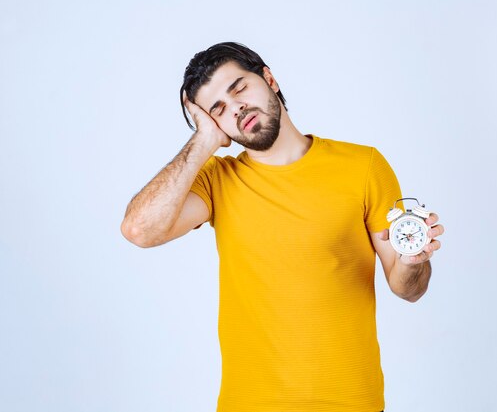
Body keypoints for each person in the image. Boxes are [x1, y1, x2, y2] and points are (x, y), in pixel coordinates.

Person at [121, 41, 444, 412]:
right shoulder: (216, 181)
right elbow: (139, 230)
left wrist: (413, 260)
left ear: (268, 79)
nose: (236, 107)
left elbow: (408, 289)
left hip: (351, 401)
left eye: (238, 87)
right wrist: (203, 140)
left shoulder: (364, 165)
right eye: (218, 110)